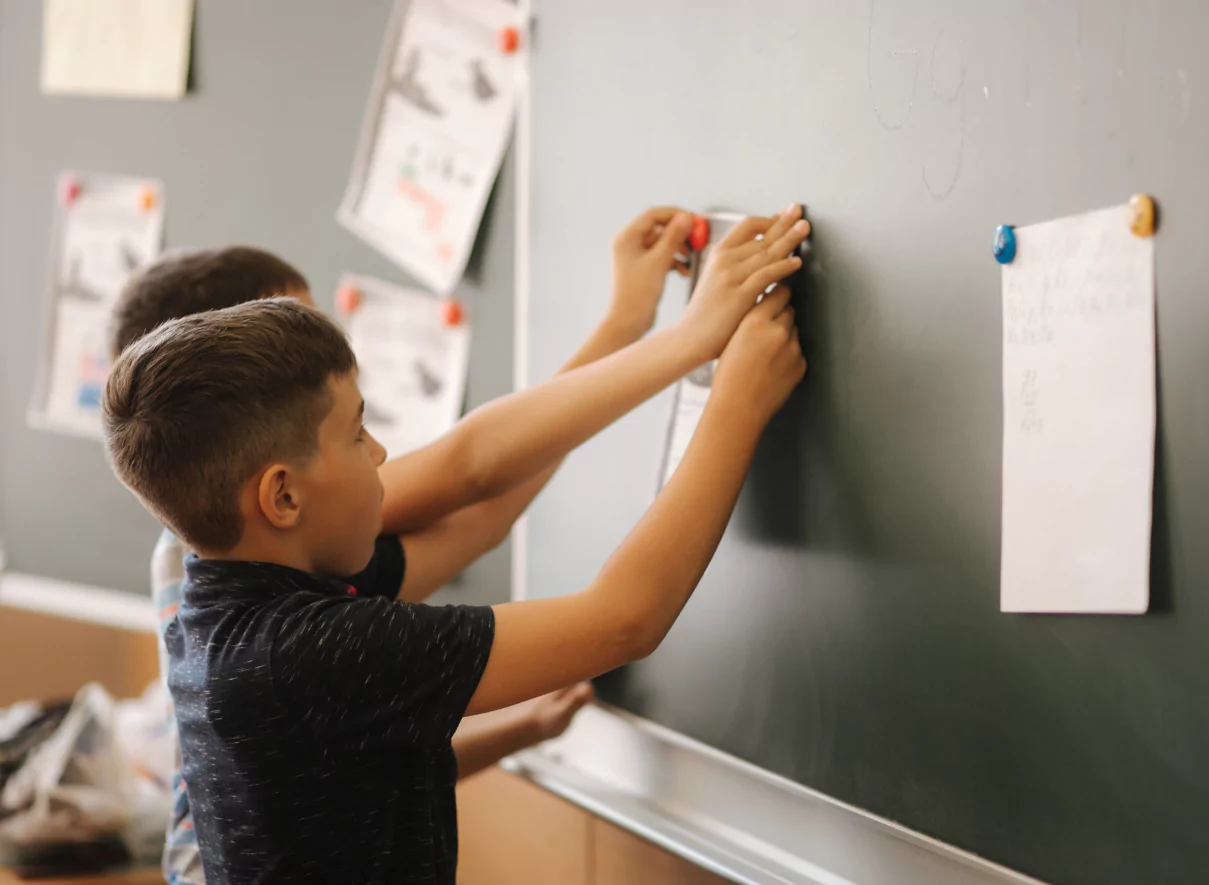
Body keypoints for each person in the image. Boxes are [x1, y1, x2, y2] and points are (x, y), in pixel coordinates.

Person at [102, 205, 810, 884]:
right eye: (356, 432)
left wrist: (630, 323)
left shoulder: (234, 599)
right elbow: (625, 616)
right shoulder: (301, 651)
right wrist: (734, 402)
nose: (380, 453)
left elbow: (482, 506)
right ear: (283, 496)